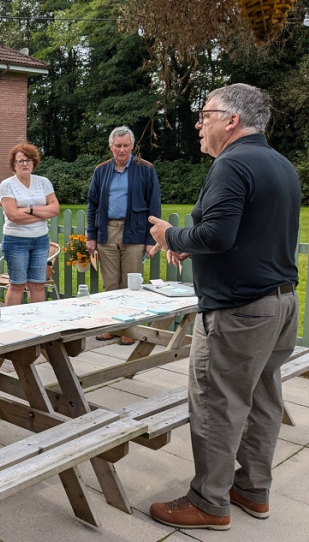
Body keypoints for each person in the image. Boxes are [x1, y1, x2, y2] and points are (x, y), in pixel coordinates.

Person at [148, 84, 300, 531]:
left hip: (239, 311)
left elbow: (217, 236)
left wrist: (171, 237)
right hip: (281, 304)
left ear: (231, 120)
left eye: (205, 115)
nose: (198, 123)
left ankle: (208, 502)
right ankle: (253, 490)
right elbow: (247, 234)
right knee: (263, 400)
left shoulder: (232, 163)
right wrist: (192, 244)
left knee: (218, 403)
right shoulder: (279, 164)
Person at [85, 126, 161, 344]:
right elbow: (93, 205)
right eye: (118, 145)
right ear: (111, 147)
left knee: (132, 284)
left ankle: (129, 330)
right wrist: (92, 236)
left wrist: (150, 239)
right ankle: (111, 326)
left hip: (135, 231)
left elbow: (154, 205)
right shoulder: (101, 171)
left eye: (126, 145)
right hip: (106, 232)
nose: (122, 150)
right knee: (110, 284)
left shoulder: (145, 169)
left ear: (132, 146)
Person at [0, 143, 59, 306]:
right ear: (14, 164)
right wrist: (42, 214)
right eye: (20, 161)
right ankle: (12, 325)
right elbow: (12, 215)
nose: (25, 164)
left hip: (40, 240)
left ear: (34, 162)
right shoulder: (7, 185)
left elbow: (55, 209)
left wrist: (29, 210)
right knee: (17, 284)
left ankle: (36, 323)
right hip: (16, 241)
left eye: (28, 160)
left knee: (38, 284)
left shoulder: (43, 182)